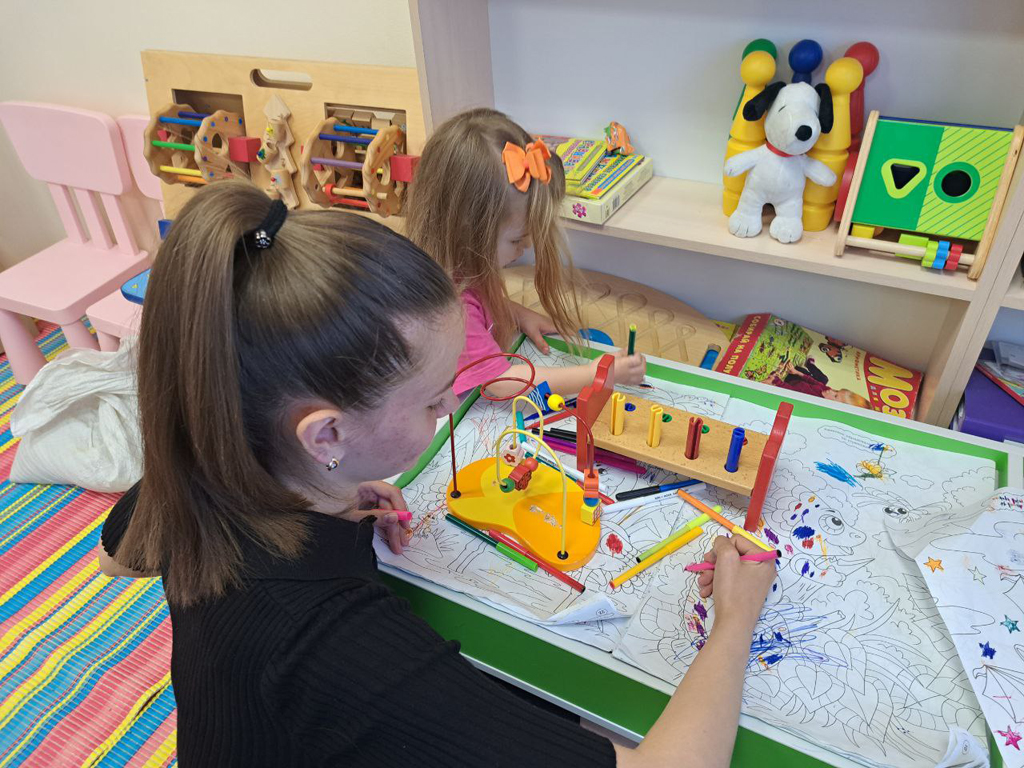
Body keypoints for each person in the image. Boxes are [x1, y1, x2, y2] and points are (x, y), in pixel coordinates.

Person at [99, 181, 775, 767]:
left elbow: (114, 559)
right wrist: (735, 618)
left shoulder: (202, 469)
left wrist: (331, 495)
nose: (454, 403)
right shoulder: (341, 647)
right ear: (325, 434)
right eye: (432, 399)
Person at [407, 108, 646, 397]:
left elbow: (478, 300)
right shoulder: (452, 310)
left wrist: (516, 313)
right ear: (468, 229)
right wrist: (593, 374)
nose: (528, 246)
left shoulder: (460, 264)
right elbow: (500, 382)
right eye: (518, 239)